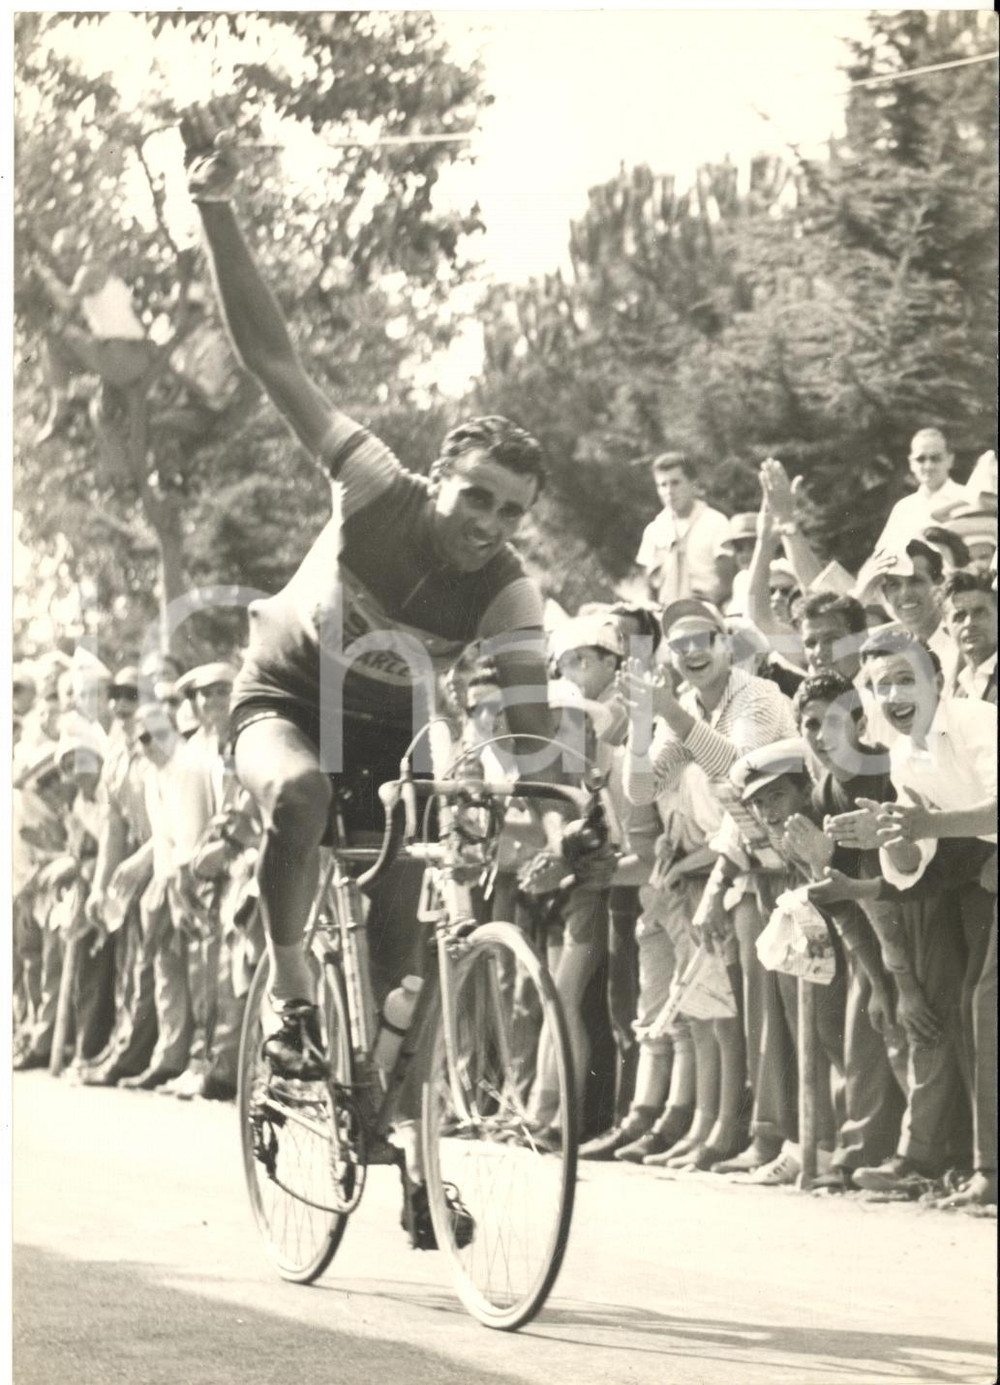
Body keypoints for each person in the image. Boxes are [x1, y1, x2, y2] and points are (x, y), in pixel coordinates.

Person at [180, 105, 577, 1243]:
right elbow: (272, 358)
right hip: (280, 703)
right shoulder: (375, 486)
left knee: (412, 972)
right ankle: (294, 1006)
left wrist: (544, 801)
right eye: (476, 498)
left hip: (390, 744)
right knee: (299, 796)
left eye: (508, 513)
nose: (485, 525)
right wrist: (214, 205)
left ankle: (404, 1154)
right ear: (439, 480)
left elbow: (531, 725)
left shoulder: (507, 591)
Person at [852, 629, 997, 1205]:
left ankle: (988, 1172)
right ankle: (984, 1168)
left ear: (938, 681)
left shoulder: (976, 720)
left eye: (905, 679)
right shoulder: (902, 753)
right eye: (881, 684)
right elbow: (912, 866)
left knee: (984, 1007)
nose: (893, 694)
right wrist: (886, 832)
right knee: (974, 1009)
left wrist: (920, 827)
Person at [634, 453, 730, 607]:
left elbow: (727, 583)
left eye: (675, 483)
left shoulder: (716, 522)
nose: (669, 491)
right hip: (664, 610)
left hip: (707, 608)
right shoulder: (654, 530)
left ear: (693, 484)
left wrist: (701, 605)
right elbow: (649, 587)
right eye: (662, 485)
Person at [875, 429, 970, 551]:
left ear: (950, 460)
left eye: (935, 458)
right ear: (911, 463)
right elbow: (884, 554)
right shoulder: (903, 508)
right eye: (920, 459)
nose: (928, 466)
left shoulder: (968, 499)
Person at [942, 570, 997, 703]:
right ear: (947, 630)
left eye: (979, 613)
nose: (969, 623)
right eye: (959, 616)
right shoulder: (960, 691)